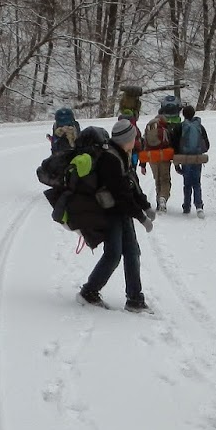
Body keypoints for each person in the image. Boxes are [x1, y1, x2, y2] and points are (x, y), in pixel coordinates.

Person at [78, 118, 154, 311]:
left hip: (121, 213)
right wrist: (141, 216)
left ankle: (135, 299)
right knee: (113, 254)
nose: (135, 141)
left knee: (132, 252)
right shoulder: (110, 159)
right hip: (110, 213)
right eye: (133, 138)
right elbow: (121, 195)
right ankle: (89, 292)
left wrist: (145, 205)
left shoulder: (123, 155)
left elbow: (132, 185)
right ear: (126, 139)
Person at [138, 96, 181, 211]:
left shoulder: (148, 127)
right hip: (163, 156)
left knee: (157, 180)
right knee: (165, 180)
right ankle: (163, 198)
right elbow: (171, 143)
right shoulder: (165, 127)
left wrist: (142, 164)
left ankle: (158, 202)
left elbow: (143, 144)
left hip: (152, 158)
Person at [169, 104, 211, 217]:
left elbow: (174, 145)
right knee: (197, 183)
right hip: (197, 158)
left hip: (185, 158)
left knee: (187, 183)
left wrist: (176, 163)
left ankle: (186, 206)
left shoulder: (179, 127)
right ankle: (199, 207)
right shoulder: (200, 127)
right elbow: (207, 145)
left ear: (183, 115)